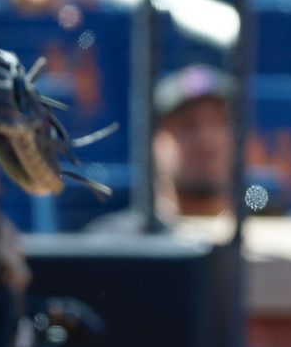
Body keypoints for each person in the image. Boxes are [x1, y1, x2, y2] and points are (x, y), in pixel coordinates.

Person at [84, 66, 236, 237]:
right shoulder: (115, 242)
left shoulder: (265, 238)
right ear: (152, 139)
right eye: (187, 125)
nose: (206, 139)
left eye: (221, 123)